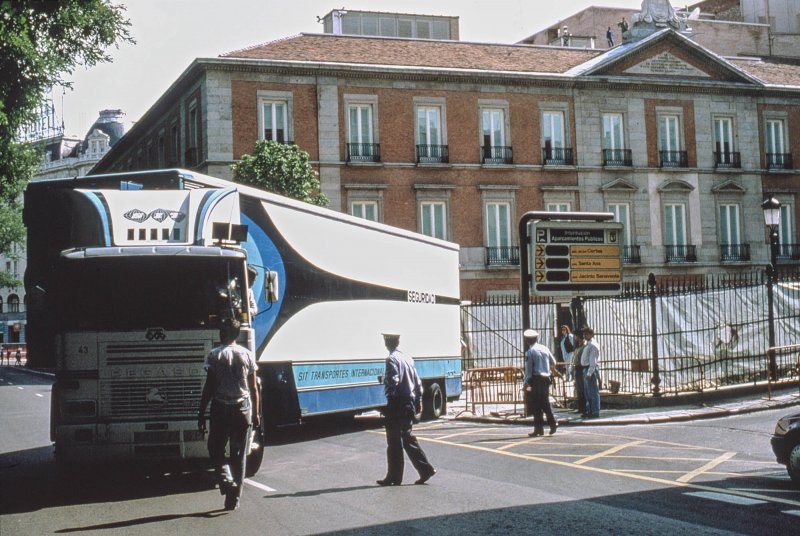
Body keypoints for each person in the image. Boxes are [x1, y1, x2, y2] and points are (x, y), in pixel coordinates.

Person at [198, 318, 260, 511]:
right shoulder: (247, 355)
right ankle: (234, 499)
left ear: (223, 333)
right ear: (237, 334)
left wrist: (201, 411)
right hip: (243, 410)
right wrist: (256, 413)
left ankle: (226, 480)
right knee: (239, 454)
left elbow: (210, 386)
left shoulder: (215, 355)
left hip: (221, 409)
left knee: (215, 447)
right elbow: (254, 388)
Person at [377, 332, 436, 486]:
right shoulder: (408, 358)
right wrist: (418, 400)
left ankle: (394, 476)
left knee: (394, 441)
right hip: (408, 402)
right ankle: (425, 469)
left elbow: (393, 382)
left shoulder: (391, 359)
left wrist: (388, 397)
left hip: (397, 404)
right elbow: (417, 383)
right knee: (407, 438)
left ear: (387, 343)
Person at [523, 329, 558, 437]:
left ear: (527, 340)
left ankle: (547, 425)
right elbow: (554, 362)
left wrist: (526, 382)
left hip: (536, 380)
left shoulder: (530, 352)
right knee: (544, 401)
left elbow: (528, 370)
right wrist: (547, 368)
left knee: (536, 404)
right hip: (546, 379)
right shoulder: (544, 348)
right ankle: (541, 428)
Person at [581, 326, 601, 419]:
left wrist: (589, 373)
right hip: (586, 368)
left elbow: (593, 361)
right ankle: (589, 410)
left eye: (586, 334)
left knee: (592, 391)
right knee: (587, 392)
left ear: (591, 334)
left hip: (590, 369)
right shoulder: (587, 344)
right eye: (584, 334)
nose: (584, 335)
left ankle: (595, 411)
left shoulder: (592, 345)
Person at [570, 331, 587, 415]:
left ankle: (584, 408)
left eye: (575, 336)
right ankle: (580, 408)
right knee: (578, 389)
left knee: (582, 389)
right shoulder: (578, 347)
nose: (574, 338)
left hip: (580, 368)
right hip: (577, 368)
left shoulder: (584, 346)